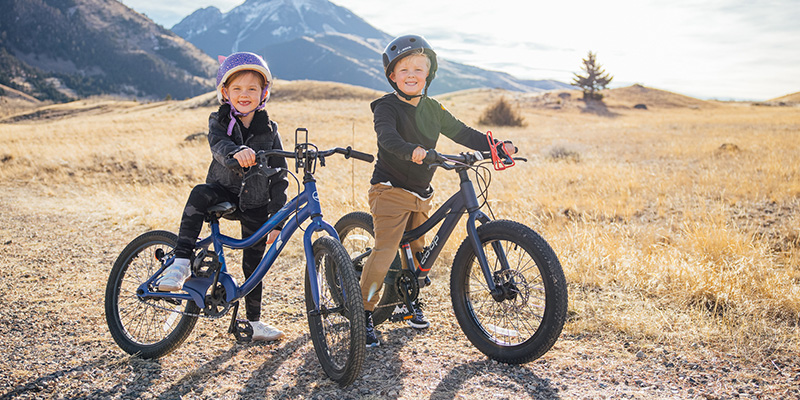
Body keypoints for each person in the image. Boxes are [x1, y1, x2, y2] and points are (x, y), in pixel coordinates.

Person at [361, 35, 515, 347]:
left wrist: (496, 147)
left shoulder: (433, 108)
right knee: (387, 249)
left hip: (421, 192)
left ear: (428, 75)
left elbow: (464, 133)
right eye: (404, 70)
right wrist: (412, 150)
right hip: (389, 191)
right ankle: (363, 311)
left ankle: (407, 301)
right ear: (392, 76)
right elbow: (387, 138)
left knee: (418, 251)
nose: (412, 75)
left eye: (420, 69)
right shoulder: (386, 107)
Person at [157, 52, 289, 342]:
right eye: (237, 89)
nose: (245, 95)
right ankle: (180, 262)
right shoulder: (219, 120)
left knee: (255, 262)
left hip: (255, 200)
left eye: (252, 89)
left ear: (263, 94)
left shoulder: (269, 128)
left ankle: (252, 322)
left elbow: (279, 174)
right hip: (223, 191)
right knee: (198, 194)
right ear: (225, 93)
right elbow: (218, 145)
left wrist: (277, 217)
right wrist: (234, 153)